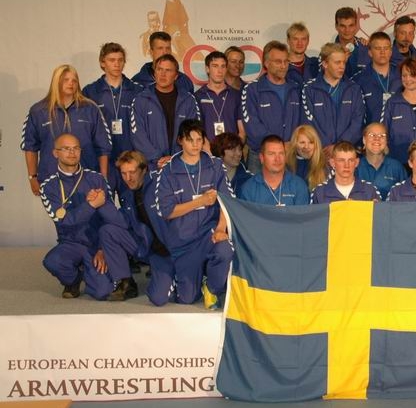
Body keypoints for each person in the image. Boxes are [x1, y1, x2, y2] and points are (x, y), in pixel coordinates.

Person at [39, 133, 135, 300]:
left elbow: (112, 218)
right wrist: (90, 205)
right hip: (71, 243)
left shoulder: (96, 179)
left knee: (102, 291)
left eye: (76, 148)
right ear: (55, 153)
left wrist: (103, 248)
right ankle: (73, 280)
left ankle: (93, 269)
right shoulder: (48, 187)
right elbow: (64, 221)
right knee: (52, 261)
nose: (72, 152)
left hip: (96, 243)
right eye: (66, 149)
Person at [154, 120, 234, 309]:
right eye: (190, 140)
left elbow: (226, 202)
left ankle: (212, 288)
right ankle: (185, 275)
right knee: (187, 298)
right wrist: (200, 202)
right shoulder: (168, 170)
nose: (195, 144)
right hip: (184, 241)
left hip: (209, 232)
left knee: (226, 249)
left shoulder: (215, 165)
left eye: (199, 139)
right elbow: (166, 212)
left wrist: (221, 228)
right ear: (180, 141)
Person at [22, 64, 112, 195]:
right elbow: (30, 147)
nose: (71, 83)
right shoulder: (38, 111)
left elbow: (103, 147)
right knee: (61, 215)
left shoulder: (90, 109)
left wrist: (102, 178)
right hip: (52, 180)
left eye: (74, 80)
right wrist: (32, 177)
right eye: (66, 80)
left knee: (86, 214)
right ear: (56, 82)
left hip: (86, 179)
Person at [82, 42, 143, 195]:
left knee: (132, 207)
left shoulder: (137, 90)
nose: (116, 64)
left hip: (130, 160)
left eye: (120, 60)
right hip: (102, 161)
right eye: (111, 60)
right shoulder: (90, 91)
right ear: (102, 63)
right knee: (103, 207)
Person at [116, 150, 172, 303]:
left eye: (132, 172)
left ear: (144, 169)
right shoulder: (126, 196)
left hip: (177, 249)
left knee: (186, 295)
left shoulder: (162, 186)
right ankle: (125, 281)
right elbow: (121, 222)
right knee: (158, 298)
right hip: (155, 253)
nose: (128, 178)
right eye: (124, 173)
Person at [130, 54, 201, 171]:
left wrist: (176, 158)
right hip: (152, 167)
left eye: (168, 70)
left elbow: (194, 133)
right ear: (154, 73)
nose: (163, 74)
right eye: (159, 69)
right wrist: (157, 158)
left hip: (182, 165)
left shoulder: (188, 100)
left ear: (176, 76)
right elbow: (138, 136)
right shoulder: (141, 100)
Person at [241, 41, 302, 172]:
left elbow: (302, 123)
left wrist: (293, 145)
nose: (283, 66)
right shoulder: (252, 90)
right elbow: (252, 126)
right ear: (266, 63)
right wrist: (279, 147)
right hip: (260, 157)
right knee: (256, 192)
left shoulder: (296, 89)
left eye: (286, 61)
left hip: (289, 155)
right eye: (278, 62)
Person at [302, 43, 366, 150]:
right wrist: (327, 147)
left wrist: (339, 146)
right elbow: (308, 123)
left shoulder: (354, 89)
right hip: (320, 153)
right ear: (325, 64)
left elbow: (358, 122)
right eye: (337, 62)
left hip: (346, 151)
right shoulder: (309, 89)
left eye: (343, 62)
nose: (342, 66)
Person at [238, 135, 310, 206]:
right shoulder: (248, 189)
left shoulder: (299, 186)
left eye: (281, 153)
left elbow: (302, 217)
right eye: (271, 154)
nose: (277, 159)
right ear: (261, 158)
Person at [195, 51, 244, 145]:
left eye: (223, 66)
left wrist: (234, 150)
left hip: (232, 153)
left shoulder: (236, 96)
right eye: (215, 66)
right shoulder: (198, 96)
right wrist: (209, 152)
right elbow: (197, 131)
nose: (219, 70)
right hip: (208, 154)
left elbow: (242, 131)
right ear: (207, 69)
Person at [354, 31, 401, 124]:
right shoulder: (358, 80)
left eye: (386, 48)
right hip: (372, 135)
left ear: (391, 52)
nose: (382, 52)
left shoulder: (403, 76)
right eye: (378, 48)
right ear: (370, 52)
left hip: (399, 135)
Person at [311, 141, 380, 203]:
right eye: (341, 160)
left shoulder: (369, 190)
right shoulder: (319, 192)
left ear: (356, 162)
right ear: (332, 163)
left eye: (351, 160)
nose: (346, 165)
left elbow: (381, 216)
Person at [355, 123, 407, 200]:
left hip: (391, 211)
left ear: (386, 141)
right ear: (364, 140)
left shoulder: (396, 167)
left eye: (382, 136)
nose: (377, 139)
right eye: (372, 135)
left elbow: (404, 197)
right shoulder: (355, 166)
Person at [285, 125, 329, 190]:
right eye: (302, 142)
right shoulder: (286, 165)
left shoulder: (325, 165)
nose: (306, 147)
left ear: (316, 144)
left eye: (311, 142)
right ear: (295, 144)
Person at [333, 6, 370, 78]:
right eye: (343, 26)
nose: (347, 30)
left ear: (356, 26)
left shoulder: (366, 48)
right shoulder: (328, 53)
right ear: (336, 26)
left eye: (351, 25)